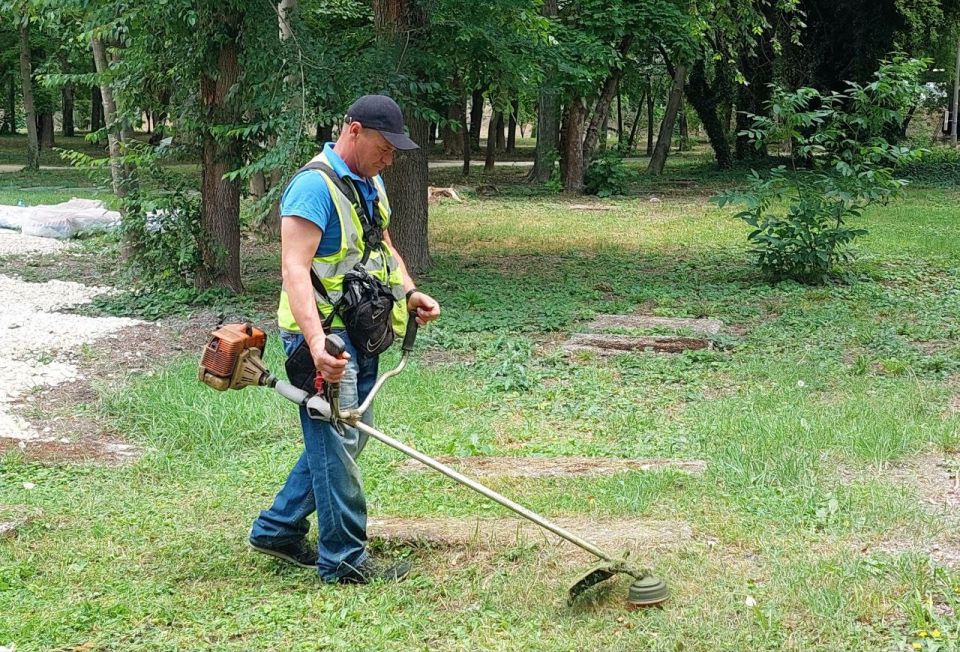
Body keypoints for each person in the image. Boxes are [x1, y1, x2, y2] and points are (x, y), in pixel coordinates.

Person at [248, 95, 441, 583]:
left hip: (361, 331)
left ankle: (276, 529)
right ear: (353, 130)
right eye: (384, 146)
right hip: (323, 338)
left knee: (345, 438)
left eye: (395, 151)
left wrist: (410, 291)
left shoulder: (369, 181)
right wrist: (316, 345)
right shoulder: (312, 188)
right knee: (337, 442)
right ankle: (344, 561)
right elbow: (294, 269)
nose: (390, 158)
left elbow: (382, 245)